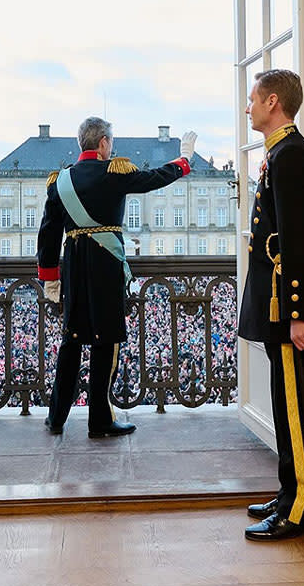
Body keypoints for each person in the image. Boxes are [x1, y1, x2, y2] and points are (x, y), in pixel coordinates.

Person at [37, 116, 197, 437]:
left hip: (74, 266)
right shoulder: (114, 172)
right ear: (105, 143)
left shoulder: (60, 181)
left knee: (71, 341)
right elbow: (155, 178)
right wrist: (184, 160)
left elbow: (48, 234)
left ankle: (56, 417)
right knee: (105, 340)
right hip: (106, 264)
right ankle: (99, 419)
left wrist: (50, 278)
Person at [238, 68, 304, 541]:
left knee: (297, 409)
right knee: (284, 402)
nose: (248, 106)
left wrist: (298, 314)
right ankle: (289, 489)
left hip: (288, 312)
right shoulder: (282, 153)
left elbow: (298, 241)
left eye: (253, 99)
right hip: (278, 308)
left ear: (273, 102)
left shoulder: (291, 157)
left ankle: (301, 509)